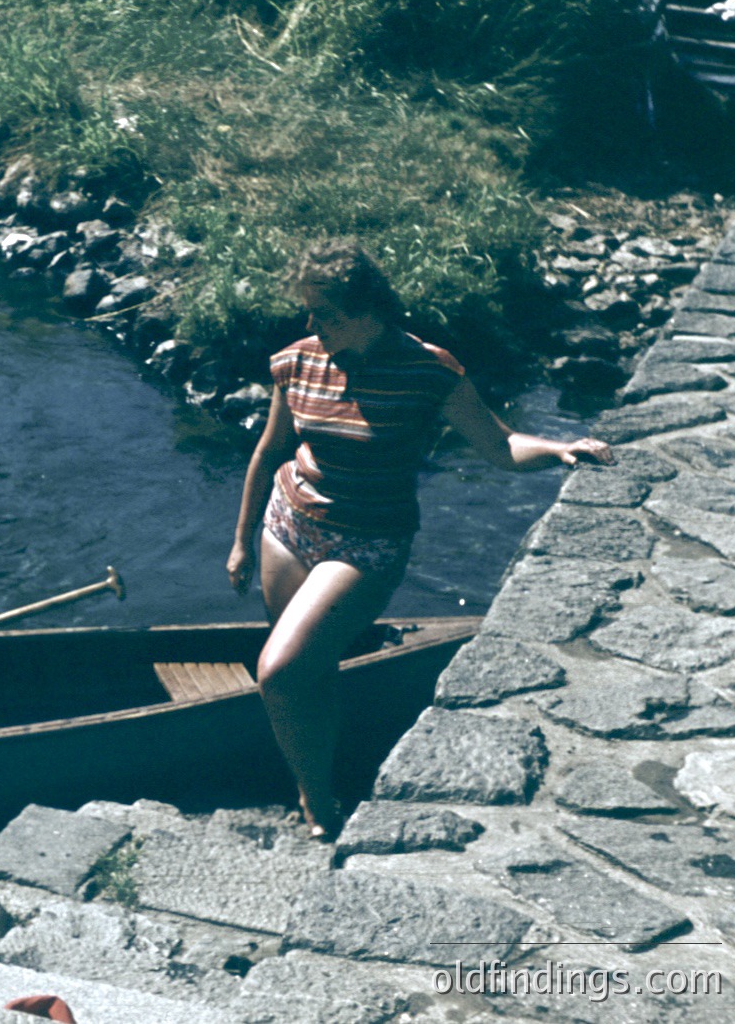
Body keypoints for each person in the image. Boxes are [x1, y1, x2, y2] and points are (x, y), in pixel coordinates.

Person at [226, 240, 613, 840]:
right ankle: (324, 774)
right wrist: (243, 539)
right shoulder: (297, 362)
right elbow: (271, 450)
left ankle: (313, 799)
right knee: (313, 672)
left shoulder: (429, 371)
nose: (311, 324)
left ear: (367, 312)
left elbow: (500, 444)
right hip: (287, 525)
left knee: (279, 670)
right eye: (308, 312)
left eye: (324, 313)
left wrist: (561, 449)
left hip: (365, 545)